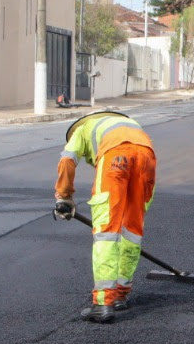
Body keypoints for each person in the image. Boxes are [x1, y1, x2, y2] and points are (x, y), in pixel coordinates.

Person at [53, 111, 156, 323]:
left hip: (114, 157)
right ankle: (120, 294)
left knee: (106, 233)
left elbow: (67, 161)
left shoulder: (81, 130)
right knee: (132, 230)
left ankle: (102, 303)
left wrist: (64, 197)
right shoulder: (123, 123)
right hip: (146, 157)